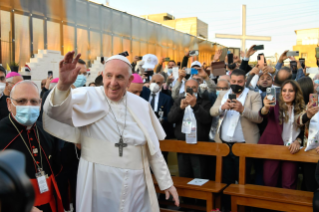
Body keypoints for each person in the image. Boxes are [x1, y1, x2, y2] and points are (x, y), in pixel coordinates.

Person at [42, 51, 179, 212]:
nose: (113, 82)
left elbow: (153, 150)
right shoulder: (87, 96)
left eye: (120, 77)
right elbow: (55, 112)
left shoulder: (142, 106)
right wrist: (63, 86)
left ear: (129, 81)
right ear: (102, 75)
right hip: (98, 183)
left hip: (135, 185)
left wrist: (167, 182)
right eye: (109, 76)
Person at [0, 80, 64, 212]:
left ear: (40, 104)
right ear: (9, 104)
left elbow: (57, 168)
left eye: (34, 101)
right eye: (21, 101)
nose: (28, 106)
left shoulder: (47, 131)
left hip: (48, 205)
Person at [210, 69, 262, 211]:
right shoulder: (222, 94)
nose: (236, 84)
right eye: (233, 81)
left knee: (243, 181)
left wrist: (243, 109)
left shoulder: (253, 95)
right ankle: (228, 208)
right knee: (226, 181)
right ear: (230, 81)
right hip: (224, 145)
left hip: (244, 146)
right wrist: (222, 107)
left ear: (244, 81)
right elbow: (212, 111)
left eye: (239, 81)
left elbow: (259, 117)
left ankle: (243, 208)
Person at [259, 80, 305, 189]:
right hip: (273, 149)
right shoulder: (274, 105)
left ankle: (287, 206)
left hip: (291, 150)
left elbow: (303, 131)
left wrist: (298, 141)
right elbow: (263, 114)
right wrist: (265, 107)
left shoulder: (301, 108)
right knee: (269, 182)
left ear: (296, 93)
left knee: (289, 184)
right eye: (284, 90)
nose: (287, 93)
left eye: (290, 91)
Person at [168, 79, 212, 180]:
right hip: (183, 143)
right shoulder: (179, 101)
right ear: (184, 88)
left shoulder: (205, 102)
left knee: (200, 175)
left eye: (194, 88)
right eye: (188, 88)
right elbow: (171, 118)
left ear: (198, 89)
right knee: (184, 175)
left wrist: (195, 106)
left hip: (199, 144)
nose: (191, 90)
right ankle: (184, 196)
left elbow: (206, 120)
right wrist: (180, 108)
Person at [297, 77, 319, 192]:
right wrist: (308, 114)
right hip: (309, 150)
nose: (317, 85)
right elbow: (298, 122)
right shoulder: (302, 108)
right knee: (310, 185)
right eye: (314, 84)